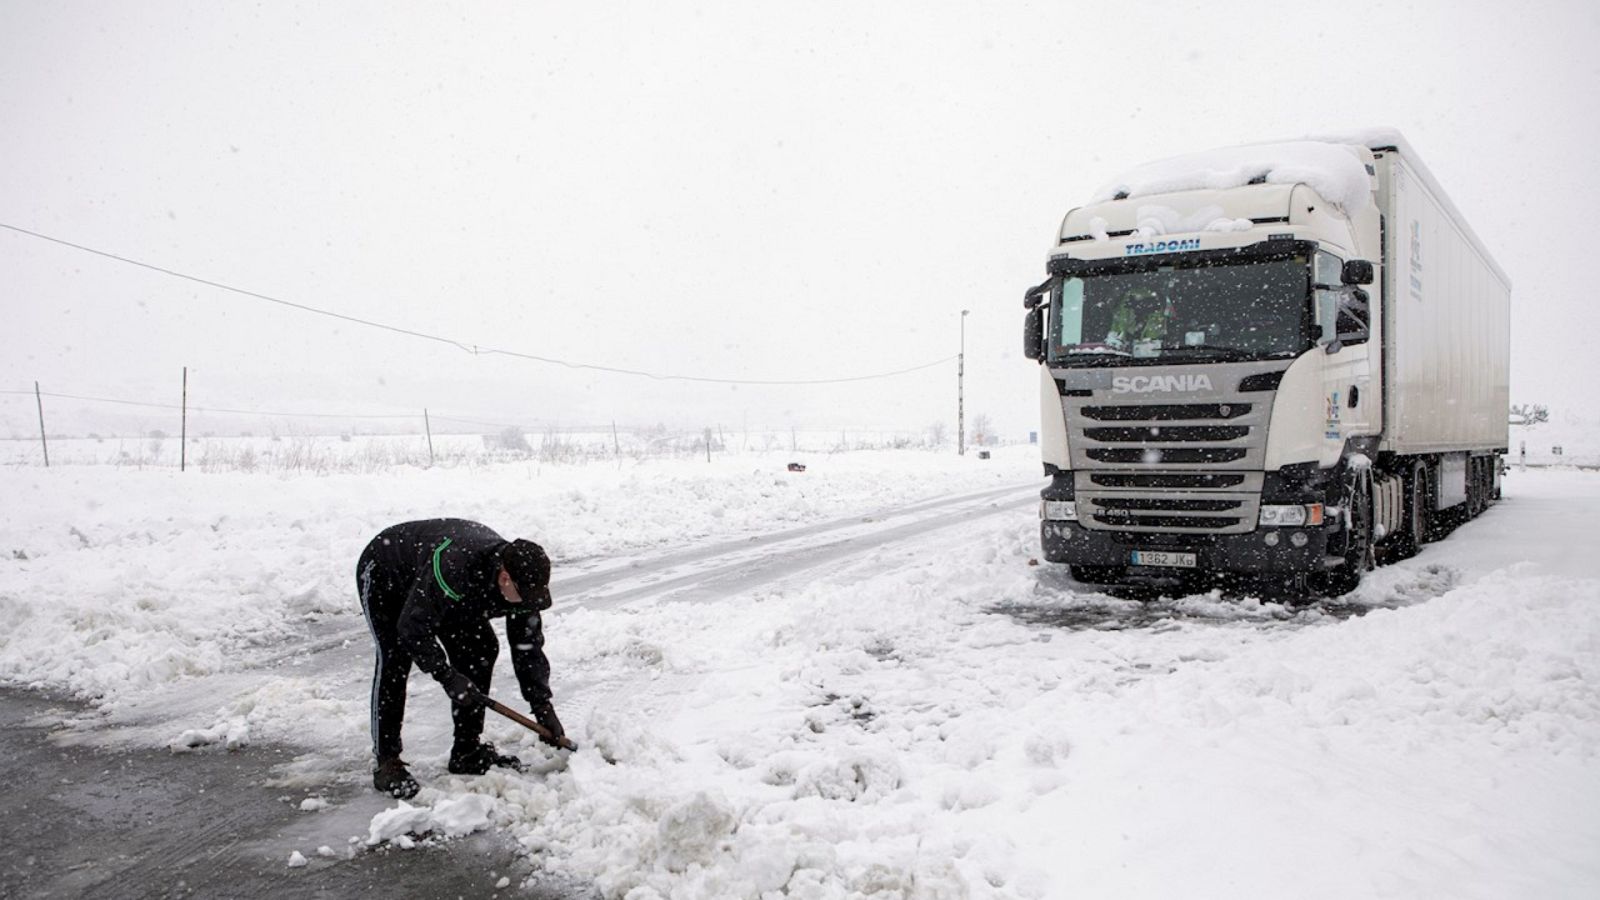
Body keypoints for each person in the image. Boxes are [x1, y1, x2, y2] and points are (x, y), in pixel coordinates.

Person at [356, 518, 567, 799]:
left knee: (480, 650)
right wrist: (446, 675)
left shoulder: (522, 584)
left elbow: (527, 648)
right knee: (394, 658)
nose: (530, 602)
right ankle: (387, 762)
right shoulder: (454, 567)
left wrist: (542, 706)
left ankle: (466, 751)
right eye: (525, 596)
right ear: (505, 578)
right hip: (388, 574)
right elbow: (413, 629)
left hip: (445, 589)